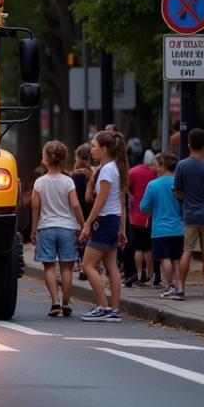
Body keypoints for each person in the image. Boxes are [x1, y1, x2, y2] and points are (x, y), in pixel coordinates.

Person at [78, 130, 128, 321]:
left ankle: (104, 306)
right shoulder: (116, 167)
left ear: (104, 149)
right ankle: (114, 309)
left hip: (105, 221)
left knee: (87, 265)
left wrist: (88, 224)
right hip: (113, 220)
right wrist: (121, 229)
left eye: (94, 145)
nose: (91, 149)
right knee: (111, 266)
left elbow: (100, 200)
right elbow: (120, 202)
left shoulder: (106, 170)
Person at [31, 141, 86, 318]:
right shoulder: (68, 181)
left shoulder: (39, 182)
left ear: (46, 158)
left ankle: (55, 302)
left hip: (46, 227)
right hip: (67, 227)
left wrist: (33, 230)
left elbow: (35, 206)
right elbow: (76, 205)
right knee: (67, 268)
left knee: (49, 266)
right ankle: (67, 302)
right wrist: (83, 224)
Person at [172, 127, 204, 299]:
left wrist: (185, 198)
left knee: (187, 250)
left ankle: (180, 288)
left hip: (190, 214)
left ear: (188, 145)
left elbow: (178, 191)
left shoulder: (181, 166)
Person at [141, 152, 185, 300]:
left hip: (160, 228)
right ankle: (180, 287)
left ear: (161, 166)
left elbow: (144, 206)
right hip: (178, 227)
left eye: (157, 165)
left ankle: (169, 285)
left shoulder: (153, 185)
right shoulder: (178, 184)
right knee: (177, 260)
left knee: (165, 258)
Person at [125, 156, 156, 286]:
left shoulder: (132, 172)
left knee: (138, 249)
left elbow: (127, 188)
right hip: (150, 216)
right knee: (149, 249)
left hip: (135, 216)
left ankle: (138, 274)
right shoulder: (154, 173)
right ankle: (150, 274)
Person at [71, 143, 94, 279]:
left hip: (80, 212)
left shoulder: (76, 175)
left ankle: (82, 266)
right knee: (89, 240)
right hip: (92, 211)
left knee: (81, 240)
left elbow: (74, 198)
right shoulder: (94, 173)